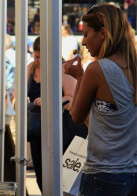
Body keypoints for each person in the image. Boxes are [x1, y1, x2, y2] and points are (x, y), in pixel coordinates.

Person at [64, 4, 137, 195]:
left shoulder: (98, 70)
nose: (84, 42)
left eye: (86, 35)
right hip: (131, 171)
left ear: (103, 33)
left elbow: (77, 116)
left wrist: (79, 77)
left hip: (103, 174)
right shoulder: (134, 66)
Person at [28, 36, 87, 192]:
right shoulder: (30, 68)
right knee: (41, 174)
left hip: (61, 129)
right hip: (38, 129)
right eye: (37, 56)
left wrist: (50, 101)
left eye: (42, 57)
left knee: (62, 177)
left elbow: (74, 99)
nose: (39, 61)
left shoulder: (62, 69)